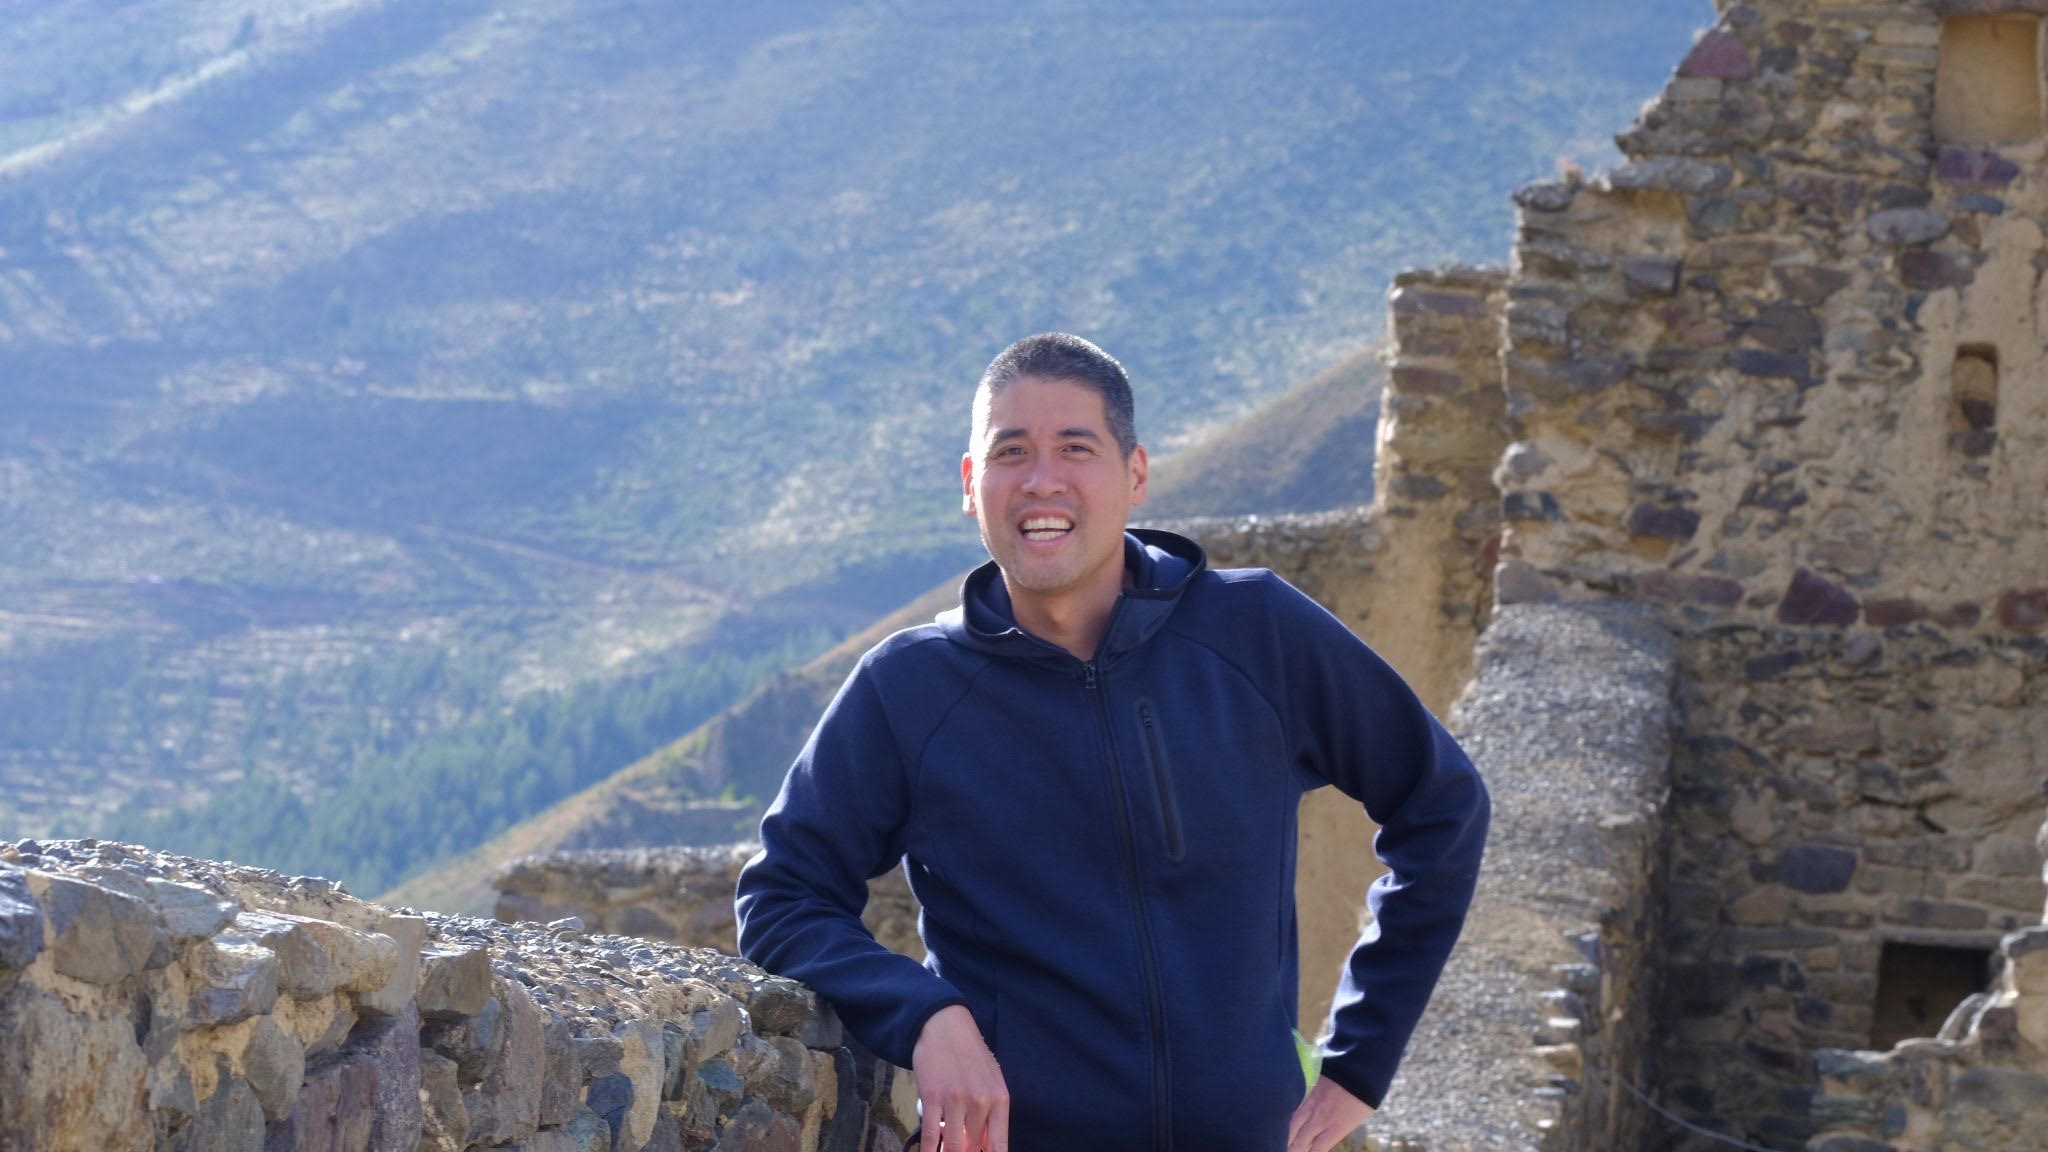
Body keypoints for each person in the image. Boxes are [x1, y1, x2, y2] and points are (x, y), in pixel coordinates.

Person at [736, 333, 1489, 1152]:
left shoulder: (1258, 634)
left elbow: (1441, 806)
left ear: (1135, 474)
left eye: (1076, 448)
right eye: (1011, 451)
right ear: (971, 485)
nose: (1041, 479)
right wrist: (926, 1014)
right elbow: (783, 896)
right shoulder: (907, 689)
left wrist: (1361, 1060)